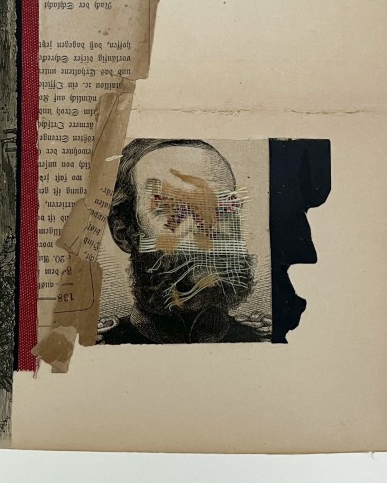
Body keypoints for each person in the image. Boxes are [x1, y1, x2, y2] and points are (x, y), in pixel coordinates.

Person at [98, 139, 271, 345]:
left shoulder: (261, 343)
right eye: (173, 208)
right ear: (124, 232)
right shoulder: (100, 347)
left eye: (221, 207)